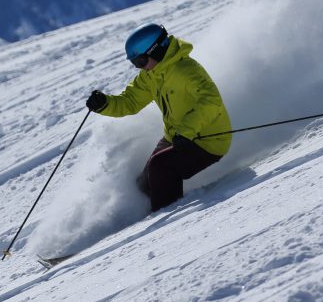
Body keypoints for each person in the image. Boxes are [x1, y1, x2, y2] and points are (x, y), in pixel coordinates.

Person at [86, 23, 232, 211]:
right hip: (177, 137)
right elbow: (129, 102)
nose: (140, 68)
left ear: (156, 50)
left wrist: (186, 132)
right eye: (135, 64)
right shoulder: (152, 75)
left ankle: (165, 220)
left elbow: (211, 101)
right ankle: (141, 214)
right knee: (144, 182)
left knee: (160, 166)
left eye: (141, 61)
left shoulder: (186, 70)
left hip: (209, 140)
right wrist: (105, 104)